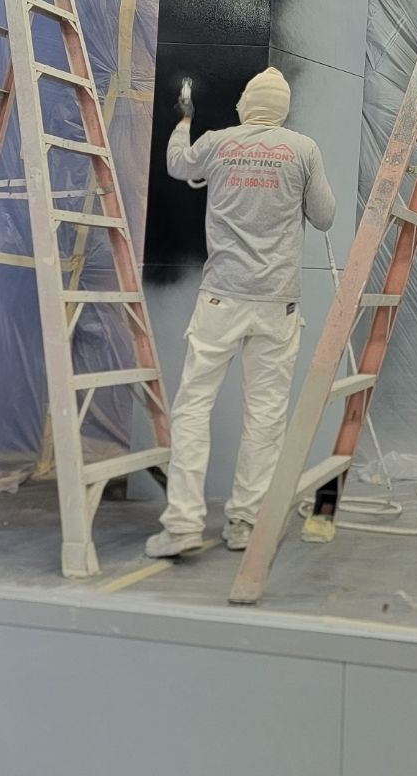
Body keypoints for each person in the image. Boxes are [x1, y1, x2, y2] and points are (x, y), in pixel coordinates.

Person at [145, 66, 335, 558]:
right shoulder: (303, 149)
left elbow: (177, 167)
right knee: (266, 416)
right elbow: (326, 216)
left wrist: (184, 120)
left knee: (192, 408)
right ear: (283, 109)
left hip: (220, 299)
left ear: (247, 103)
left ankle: (183, 524)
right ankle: (247, 523)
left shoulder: (218, 141)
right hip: (277, 303)